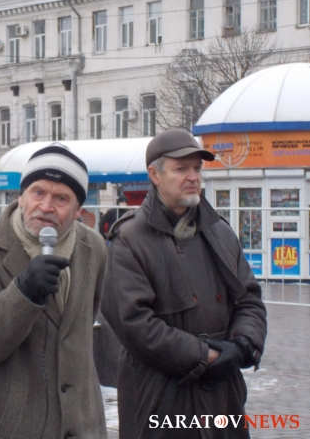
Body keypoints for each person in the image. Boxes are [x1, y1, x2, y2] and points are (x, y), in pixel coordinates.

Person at [101, 129, 267, 438]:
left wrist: (243, 345)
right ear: (155, 175)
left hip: (223, 396)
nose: (192, 177)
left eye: (197, 168)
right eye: (181, 169)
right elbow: (135, 324)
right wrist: (206, 355)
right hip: (160, 398)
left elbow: (249, 300)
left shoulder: (220, 231)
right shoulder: (130, 239)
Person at [0, 143, 108, 439]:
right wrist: (24, 293)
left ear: (78, 210)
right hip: (11, 427)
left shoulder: (93, 247)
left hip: (81, 425)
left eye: (61, 198)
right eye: (38, 193)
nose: (46, 206)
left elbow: (80, 328)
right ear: (21, 197)